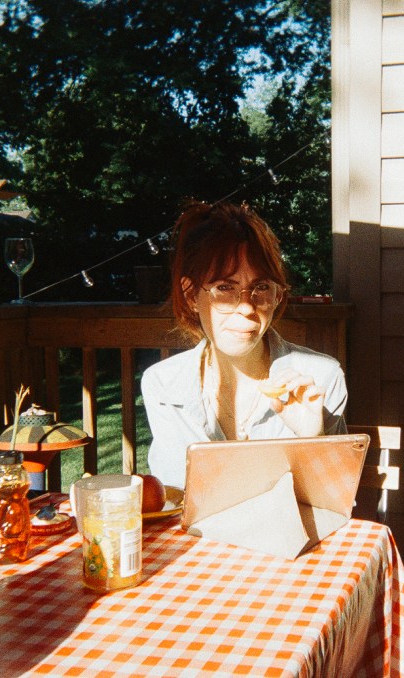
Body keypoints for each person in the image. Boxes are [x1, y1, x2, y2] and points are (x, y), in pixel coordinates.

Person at [141, 201, 348, 488]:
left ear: (277, 296)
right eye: (225, 288)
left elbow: (334, 500)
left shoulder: (320, 378)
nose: (247, 307)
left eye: (261, 287)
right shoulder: (163, 385)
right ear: (190, 296)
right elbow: (174, 495)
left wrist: (312, 439)